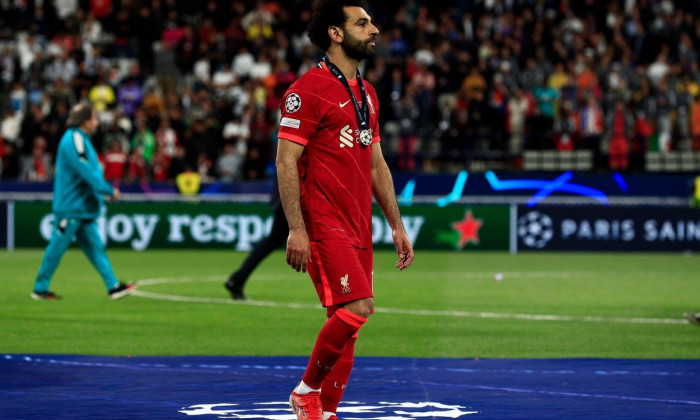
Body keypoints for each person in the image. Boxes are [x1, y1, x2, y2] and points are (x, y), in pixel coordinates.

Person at [275, 2, 414, 420]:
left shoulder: (366, 93)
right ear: (336, 34)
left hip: (359, 224)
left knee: (349, 326)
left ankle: (325, 411)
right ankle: (305, 392)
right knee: (358, 307)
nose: (374, 29)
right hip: (323, 221)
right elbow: (285, 161)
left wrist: (396, 224)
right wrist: (296, 229)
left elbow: (376, 164)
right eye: (363, 23)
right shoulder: (307, 90)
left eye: (371, 21)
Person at [31, 103, 137, 300]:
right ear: (85, 121)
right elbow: (85, 171)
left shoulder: (80, 140)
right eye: (95, 118)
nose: (97, 122)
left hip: (83, 208)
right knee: (56, 247)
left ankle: (113, 286)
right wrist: (107, 190)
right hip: (72, 207)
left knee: (96, 248)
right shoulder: (74, 139)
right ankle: (39, 288)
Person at [224, 178, 288, 300]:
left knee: (272, 241)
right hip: (291, 201)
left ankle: (237, 279)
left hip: (286, 199)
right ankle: (237, 279)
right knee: (273, 241)